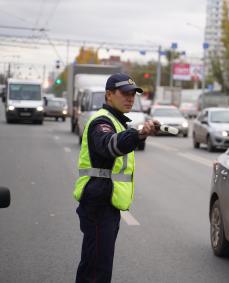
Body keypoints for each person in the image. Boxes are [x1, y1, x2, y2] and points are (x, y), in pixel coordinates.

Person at [73, 73, 159, 283]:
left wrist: (137, 134)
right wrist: (137, 134)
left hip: (106, 203)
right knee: (96, 270)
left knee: (96, 265)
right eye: (125, 93)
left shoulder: (118, 122)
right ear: (109, 95)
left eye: (133, 94)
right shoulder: (101, 121)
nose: (130, 98)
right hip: (98, 202)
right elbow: (109, 145)